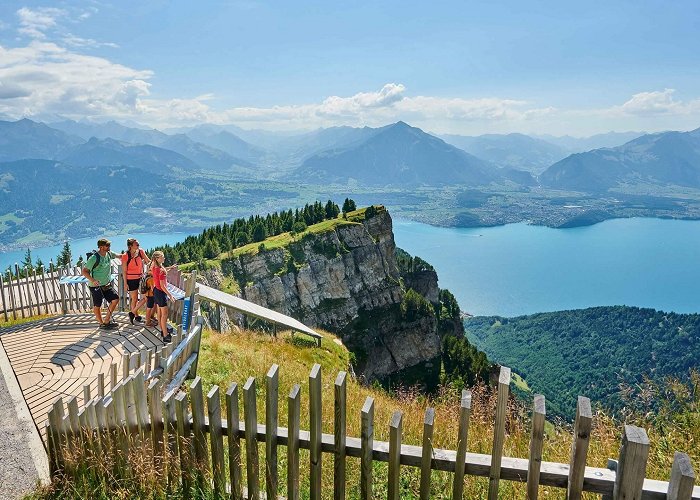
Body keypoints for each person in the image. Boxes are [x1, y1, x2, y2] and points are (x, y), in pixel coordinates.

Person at [82, 238, 123, 329]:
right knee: (98, 305)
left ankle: (106, 320)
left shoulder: (109, 254)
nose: (109, 247)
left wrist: (129, 254)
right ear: (101, 247)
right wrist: (93, 280)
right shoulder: (94, 258)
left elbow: (119, 256)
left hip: (106, 284)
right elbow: (84, 271)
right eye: (107, 245)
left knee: (115, 299)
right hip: (95, 286)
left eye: (109, 245)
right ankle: (101, 323)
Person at [121, 238, 151, 324]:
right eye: (137, 244)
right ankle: (136, 316)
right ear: (130, 246)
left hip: (141, 278)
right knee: (134, 299)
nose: (138, 246)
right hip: (130, 280)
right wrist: (125, 283)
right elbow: (124, 271)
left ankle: (132, 312)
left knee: (146, 297)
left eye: (138, 244)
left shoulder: (141, 252)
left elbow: (148, 261)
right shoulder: (125, 256)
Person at [151, 250, 175, 342]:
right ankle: (165, 335)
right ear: (157, 258)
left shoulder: (154, 267)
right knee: (164, 315)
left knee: (160, 314)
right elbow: (163, 286)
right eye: (162, 257)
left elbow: (161, 271)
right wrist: (170, 295)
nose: (164, 258)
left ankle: (163, 329)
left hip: (156, 291)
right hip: (161, 293)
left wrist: (170, 268)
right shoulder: (161, 271)